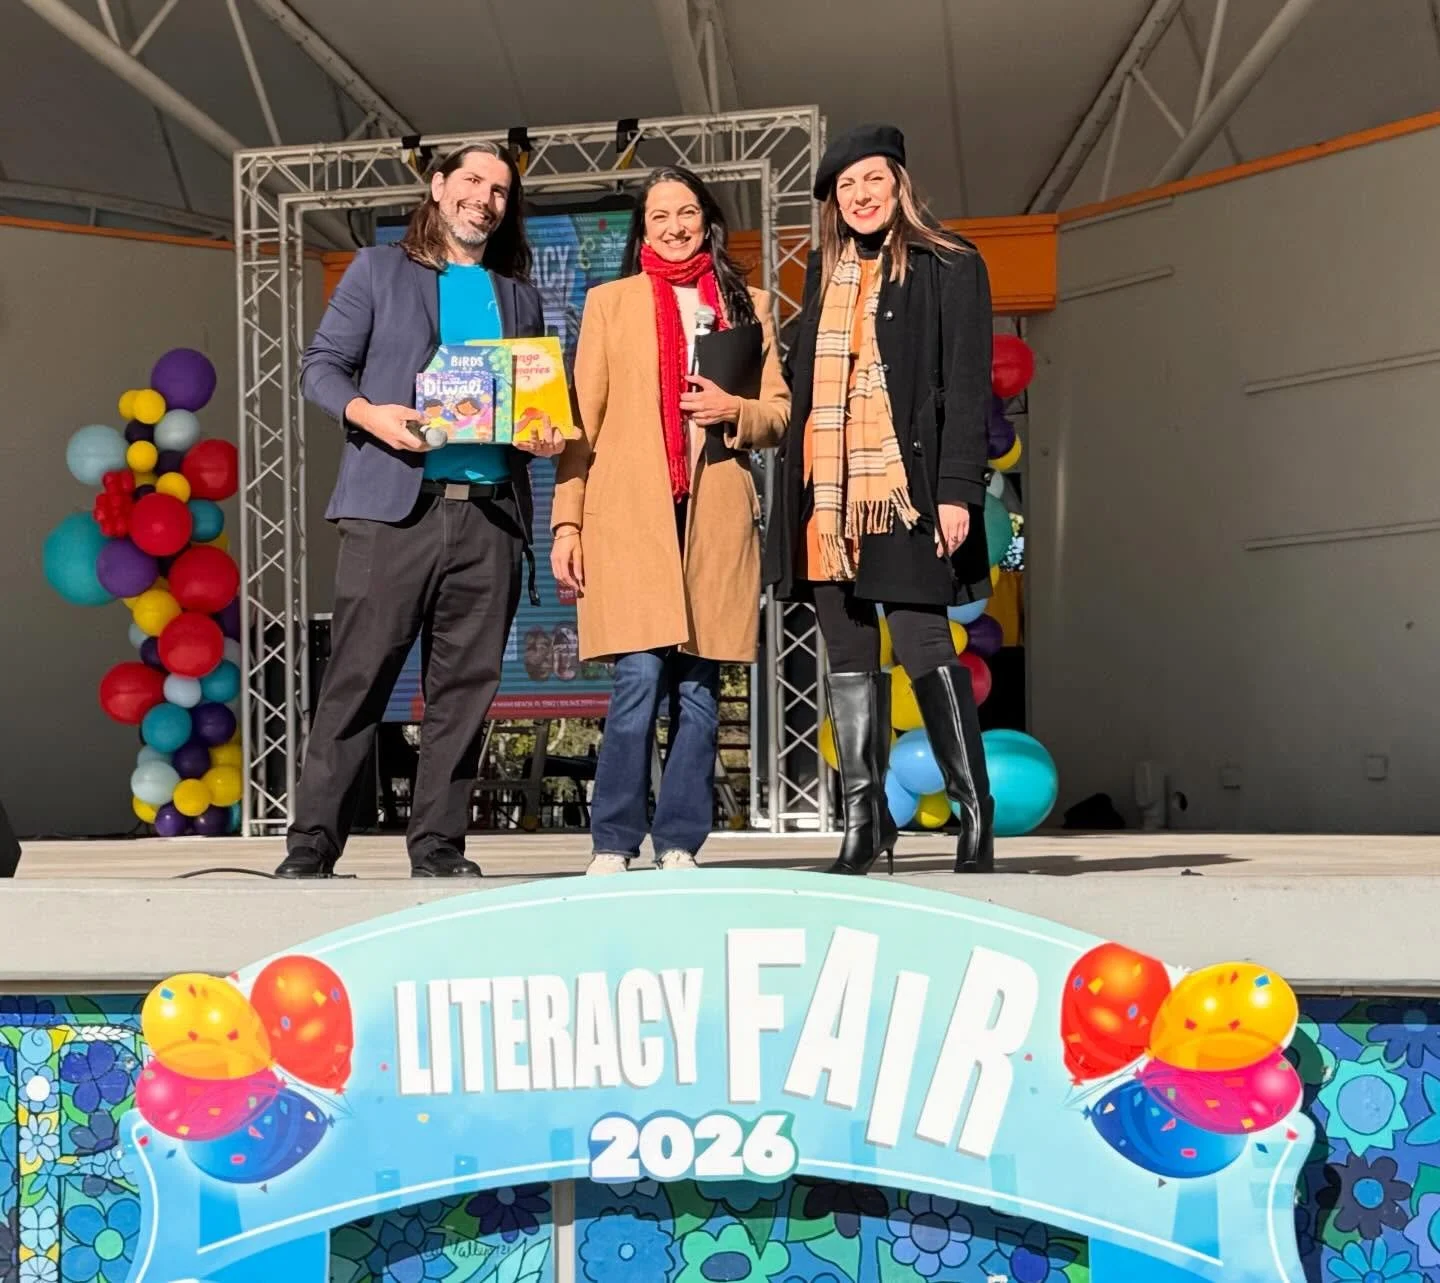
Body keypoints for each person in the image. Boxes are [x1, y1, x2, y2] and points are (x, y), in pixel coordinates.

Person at [276, 142, 564, 880]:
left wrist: (542, 434)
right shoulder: (376, 270)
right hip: (393, 512)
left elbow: (525, 410)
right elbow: (321, 368)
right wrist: (370, 415)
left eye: (500, 190)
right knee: (359, 679)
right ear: (437, 187)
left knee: (466, 693)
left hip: (491, 518)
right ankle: (312, 845)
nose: (486, 198)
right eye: (472, 180)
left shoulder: (519, 294)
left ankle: (438, 846)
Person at [763, 124, 996, 877]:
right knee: (850, 652)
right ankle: (865, 821)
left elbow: (965, 385)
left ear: (899, 184)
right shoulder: (824, 272)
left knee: (924, 639)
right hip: (826, 494)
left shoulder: (950, 263)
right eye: (846, 186)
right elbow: (805, 389)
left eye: (874, 180)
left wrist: (959, 490)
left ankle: (974, 810)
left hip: (905, 487)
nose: (861, 196)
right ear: (834, 201)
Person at [552, 167, 790, 874]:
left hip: (713, 516)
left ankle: (680, 839)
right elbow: (579, 427)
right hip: (629, 518)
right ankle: (613, 843)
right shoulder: (609, 303)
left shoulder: (750, 307)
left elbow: (777, 412)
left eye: (687, 212)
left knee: (699, 690)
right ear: (643, 229)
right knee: (636, 681)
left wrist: (732, 411)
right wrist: (567, 524)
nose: (675, 226)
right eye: (660, 216)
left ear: (707, 221)